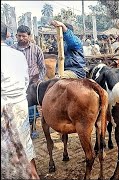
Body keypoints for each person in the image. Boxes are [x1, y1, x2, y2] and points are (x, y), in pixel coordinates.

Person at [1, 22, 39, 179]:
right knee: (25, 143)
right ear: (9, 35)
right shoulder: (18, 55)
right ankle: (33, 175)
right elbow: (25, 81)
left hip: (4, 106)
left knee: (6, 151)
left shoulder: (33, 50)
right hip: (20, 103)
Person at [12, 25, 46, 139]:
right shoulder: (12, 49)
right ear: (16, 35)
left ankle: (32, 129)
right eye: (19, 36)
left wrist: (39, 81)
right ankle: (19, 129)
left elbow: (43, 68)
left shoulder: (36, 49)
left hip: (32, 83)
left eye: (24, 36)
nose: (21, 38)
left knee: (31, 108)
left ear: (29, 36)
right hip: (16, 83)